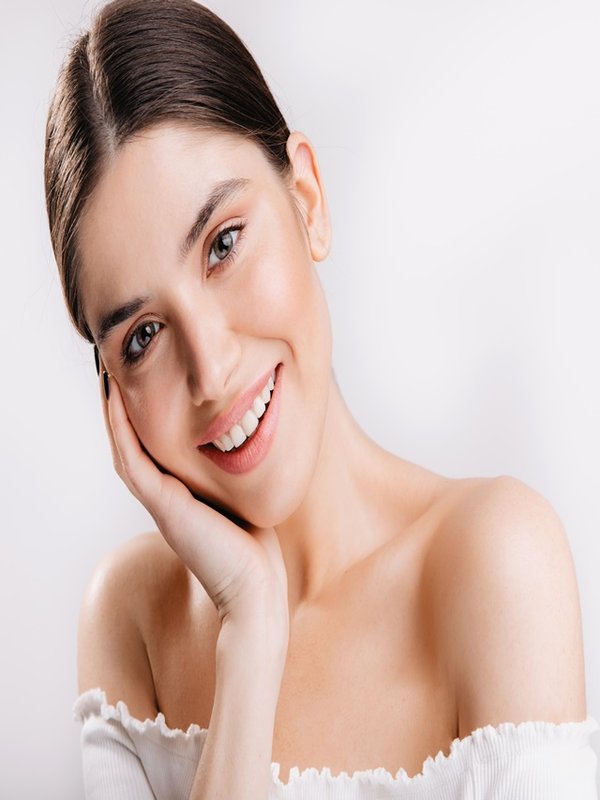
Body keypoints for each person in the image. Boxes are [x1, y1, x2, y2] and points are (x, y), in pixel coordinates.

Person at [44, 0, 598, 797]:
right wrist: (251, 631)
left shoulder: (492, 563)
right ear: (112, 394)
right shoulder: (130, 620)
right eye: (143, 337)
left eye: (223, 244)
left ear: (306, 198)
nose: (212, 369)